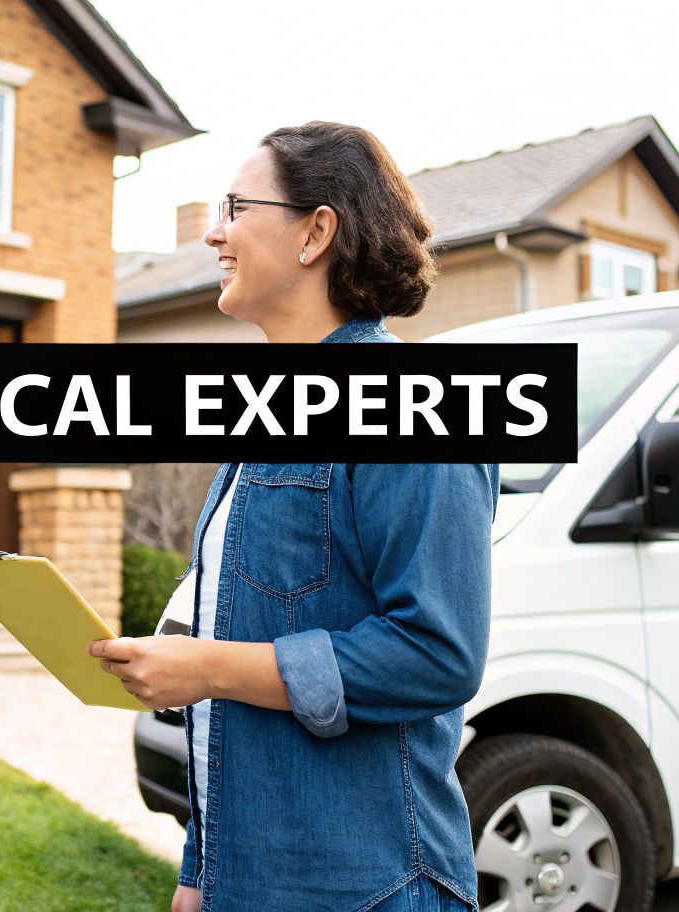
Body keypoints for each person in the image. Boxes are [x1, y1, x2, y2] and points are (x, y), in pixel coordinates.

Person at [90, 122, 495, 911]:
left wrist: (207, 667)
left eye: (236, 207)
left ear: (316, 231)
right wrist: (200, 870)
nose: (213, 232)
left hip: (370, 887)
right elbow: (237, 656)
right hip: (253, 884)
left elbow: (438, 654)